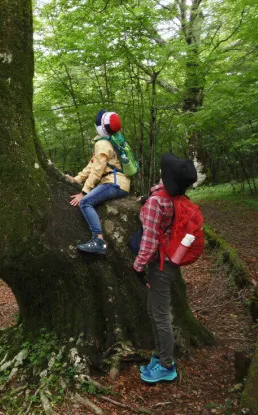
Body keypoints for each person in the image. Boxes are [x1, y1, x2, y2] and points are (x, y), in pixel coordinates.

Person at [132, 153, 198, 384]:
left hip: (159, 265)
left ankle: (166, 365)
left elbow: (149, 241)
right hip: (168, 262)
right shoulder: (173, 196)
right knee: (153, 311)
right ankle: (159, 355)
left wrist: (138, 265)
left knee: (160, 316)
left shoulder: (156, 203)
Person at [66, 110, 131, 254]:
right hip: (121, 182)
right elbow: (92, 165)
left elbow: (97, 170)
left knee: (85, 202)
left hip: (113, 182)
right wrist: (76, 179)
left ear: (101, 127)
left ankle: (98, 240)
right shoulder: (114, 140)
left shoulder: (102, 144)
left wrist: (84, 192)